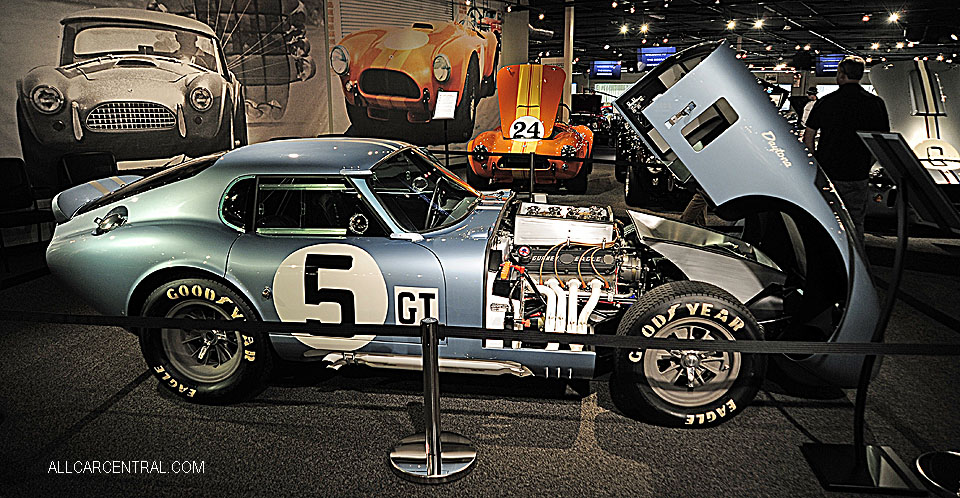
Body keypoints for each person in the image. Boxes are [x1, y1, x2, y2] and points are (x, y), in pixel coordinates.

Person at [803, 56, 889, 247]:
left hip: (828, 172)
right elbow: (881, 141)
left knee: (826, 220)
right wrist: (867, 164)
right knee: (855, 222)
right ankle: (856, 258)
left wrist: (814, 164)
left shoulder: (826, 102)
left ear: (841, 74)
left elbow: (808, 137)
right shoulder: (876, 103)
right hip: (858, 173)